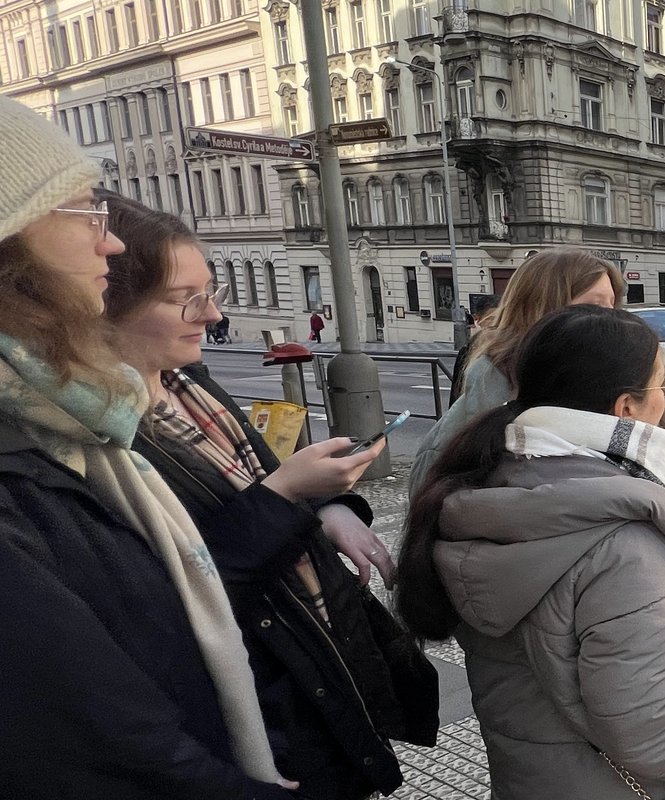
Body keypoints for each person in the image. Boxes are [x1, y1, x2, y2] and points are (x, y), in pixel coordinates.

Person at [0, 96, 298, 797]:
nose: (107, 241)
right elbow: (109, 742)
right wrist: (290, 500)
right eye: (82, 210)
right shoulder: (37, 446)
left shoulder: (81, 414)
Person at [103, 195, 441, 799]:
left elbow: (255, 484)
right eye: (187, 298)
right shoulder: (103, 435)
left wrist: (329, 507)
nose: (211, 314)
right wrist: (288, 493)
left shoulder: (188, 381)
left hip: (316, 654)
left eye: (212, 290)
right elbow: (177, 596)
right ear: (108, 302)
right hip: (263, 697)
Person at [395, 306, 665, 798]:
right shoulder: (621, 535)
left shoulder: (489, 475)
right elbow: (661, 734)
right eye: (662, 385)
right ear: (626, 407)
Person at [410, 247, 620, 493]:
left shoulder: (605, 382)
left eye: (612, 305)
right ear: (542, 312)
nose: (612, 319)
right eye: (594, 307)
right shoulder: (496, 400)